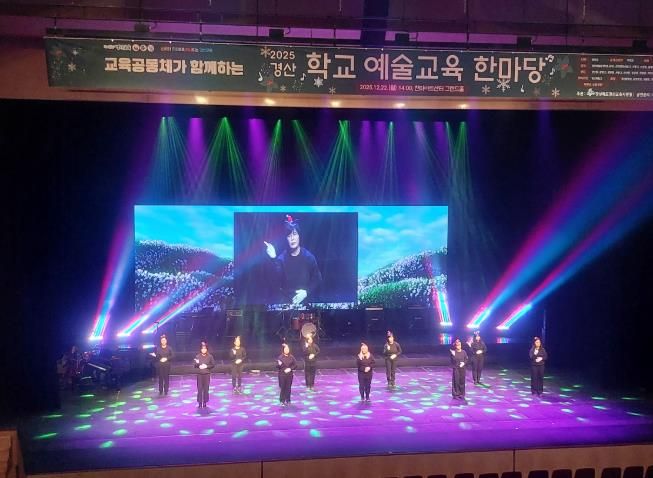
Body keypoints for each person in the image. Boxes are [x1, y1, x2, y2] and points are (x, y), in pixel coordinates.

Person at [265, 215, 322, 305]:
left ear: (299, 236)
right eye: (289, 235)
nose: (292, 238)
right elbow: (275, 282)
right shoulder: (281, 260)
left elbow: (317, 278)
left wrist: (306, 292)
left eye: (295, 234)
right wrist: (273, 258)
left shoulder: (308, 257)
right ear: (286, 239)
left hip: (305, 303)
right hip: (286, 304)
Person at [193, 341, 215, 408]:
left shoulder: (210, 356)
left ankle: (205, 402)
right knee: (199, 389)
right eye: (202, 348)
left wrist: (206, 366)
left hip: (207, 375)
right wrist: (198, 365)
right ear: (200, 349)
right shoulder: (197, 356)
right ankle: (200, 403)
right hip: (200, 375)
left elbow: (213, 364)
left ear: (207, 349)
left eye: (205, 348)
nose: (203, 350)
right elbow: (195, 365)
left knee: (206, 389)